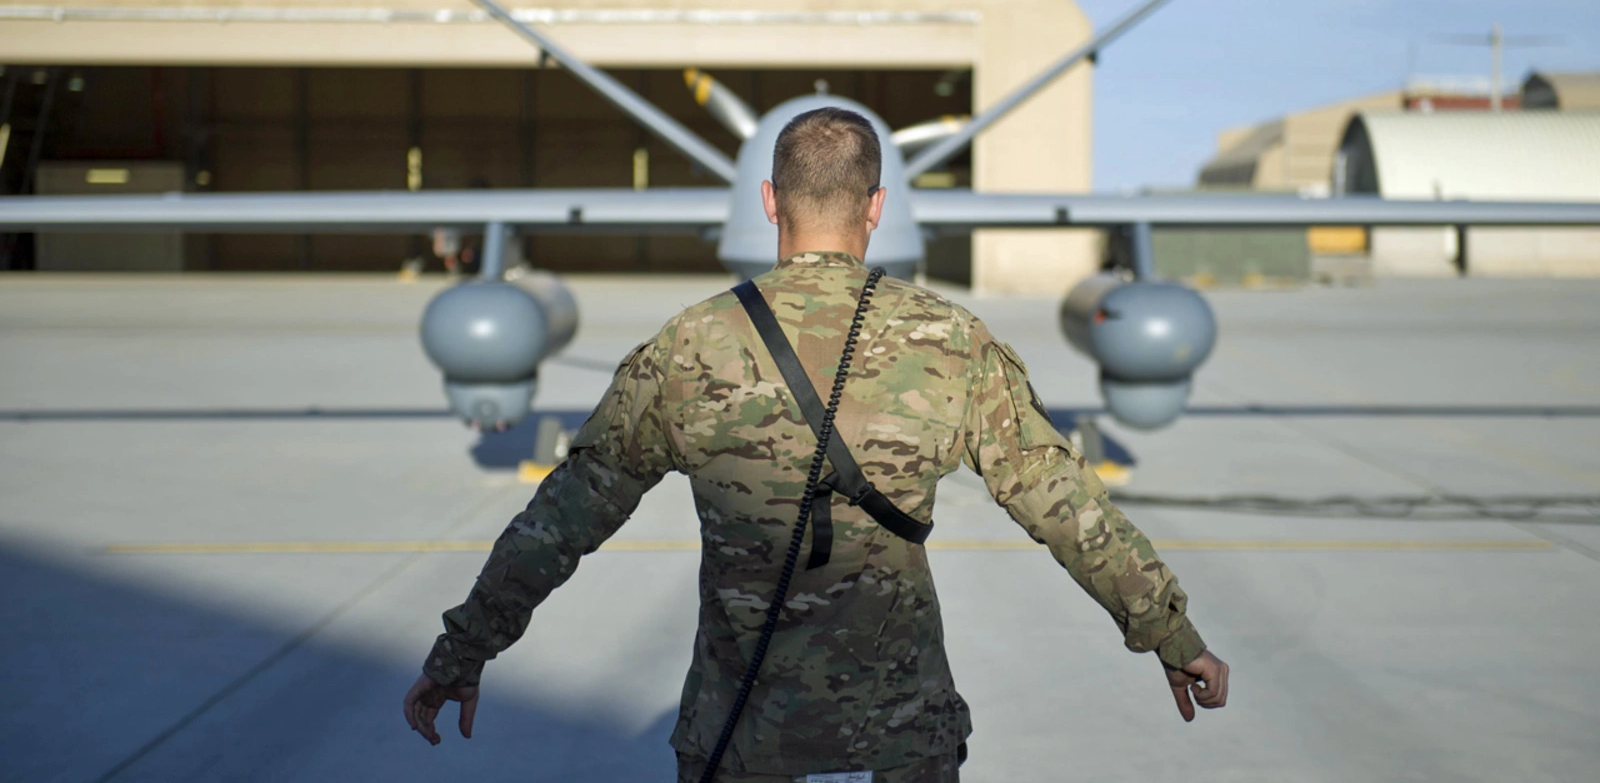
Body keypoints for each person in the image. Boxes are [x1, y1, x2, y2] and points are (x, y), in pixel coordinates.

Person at [402, 107, 1229, 781]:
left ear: (770, 201)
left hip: (741, 733)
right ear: (875, 208)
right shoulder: (950, 341)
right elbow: (1065, 506)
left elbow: (563, 519)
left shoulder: (690, 345)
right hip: (901, 737)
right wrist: (1171, 635)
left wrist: (462, 651)